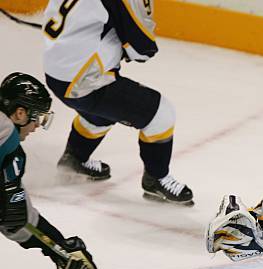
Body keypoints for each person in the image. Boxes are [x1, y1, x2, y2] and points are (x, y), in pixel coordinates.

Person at [42, 0, 193, 205]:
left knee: (102, 114)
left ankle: (75, 159)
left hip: (56, 75)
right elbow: (143, 50)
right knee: (161, 115)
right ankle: (156, 180)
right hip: (85, 82)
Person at [1, 73, 99, 269]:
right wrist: (59, 249)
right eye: (36, 117)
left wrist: (58, 247)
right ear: (20, 113)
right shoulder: (7, 135)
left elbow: (15, 213)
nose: (36, 125)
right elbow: (15, 216)